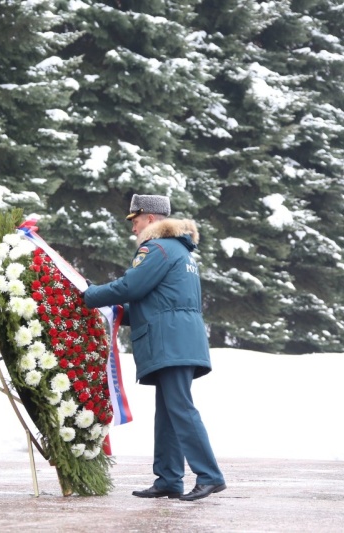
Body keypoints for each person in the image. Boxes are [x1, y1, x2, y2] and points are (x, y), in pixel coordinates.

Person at [83, 194, 226, 502]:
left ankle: (210, 476)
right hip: (178, 337)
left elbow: (130, 287)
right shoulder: (180, 251)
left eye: (135, 221)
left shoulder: (157, 248)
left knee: (181, 409)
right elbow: (158, 303)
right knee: (169, 412)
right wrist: (115, 314)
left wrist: (87, 296)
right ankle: (169, 478)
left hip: (170, 341)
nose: (133, 229)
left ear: (149, 218)